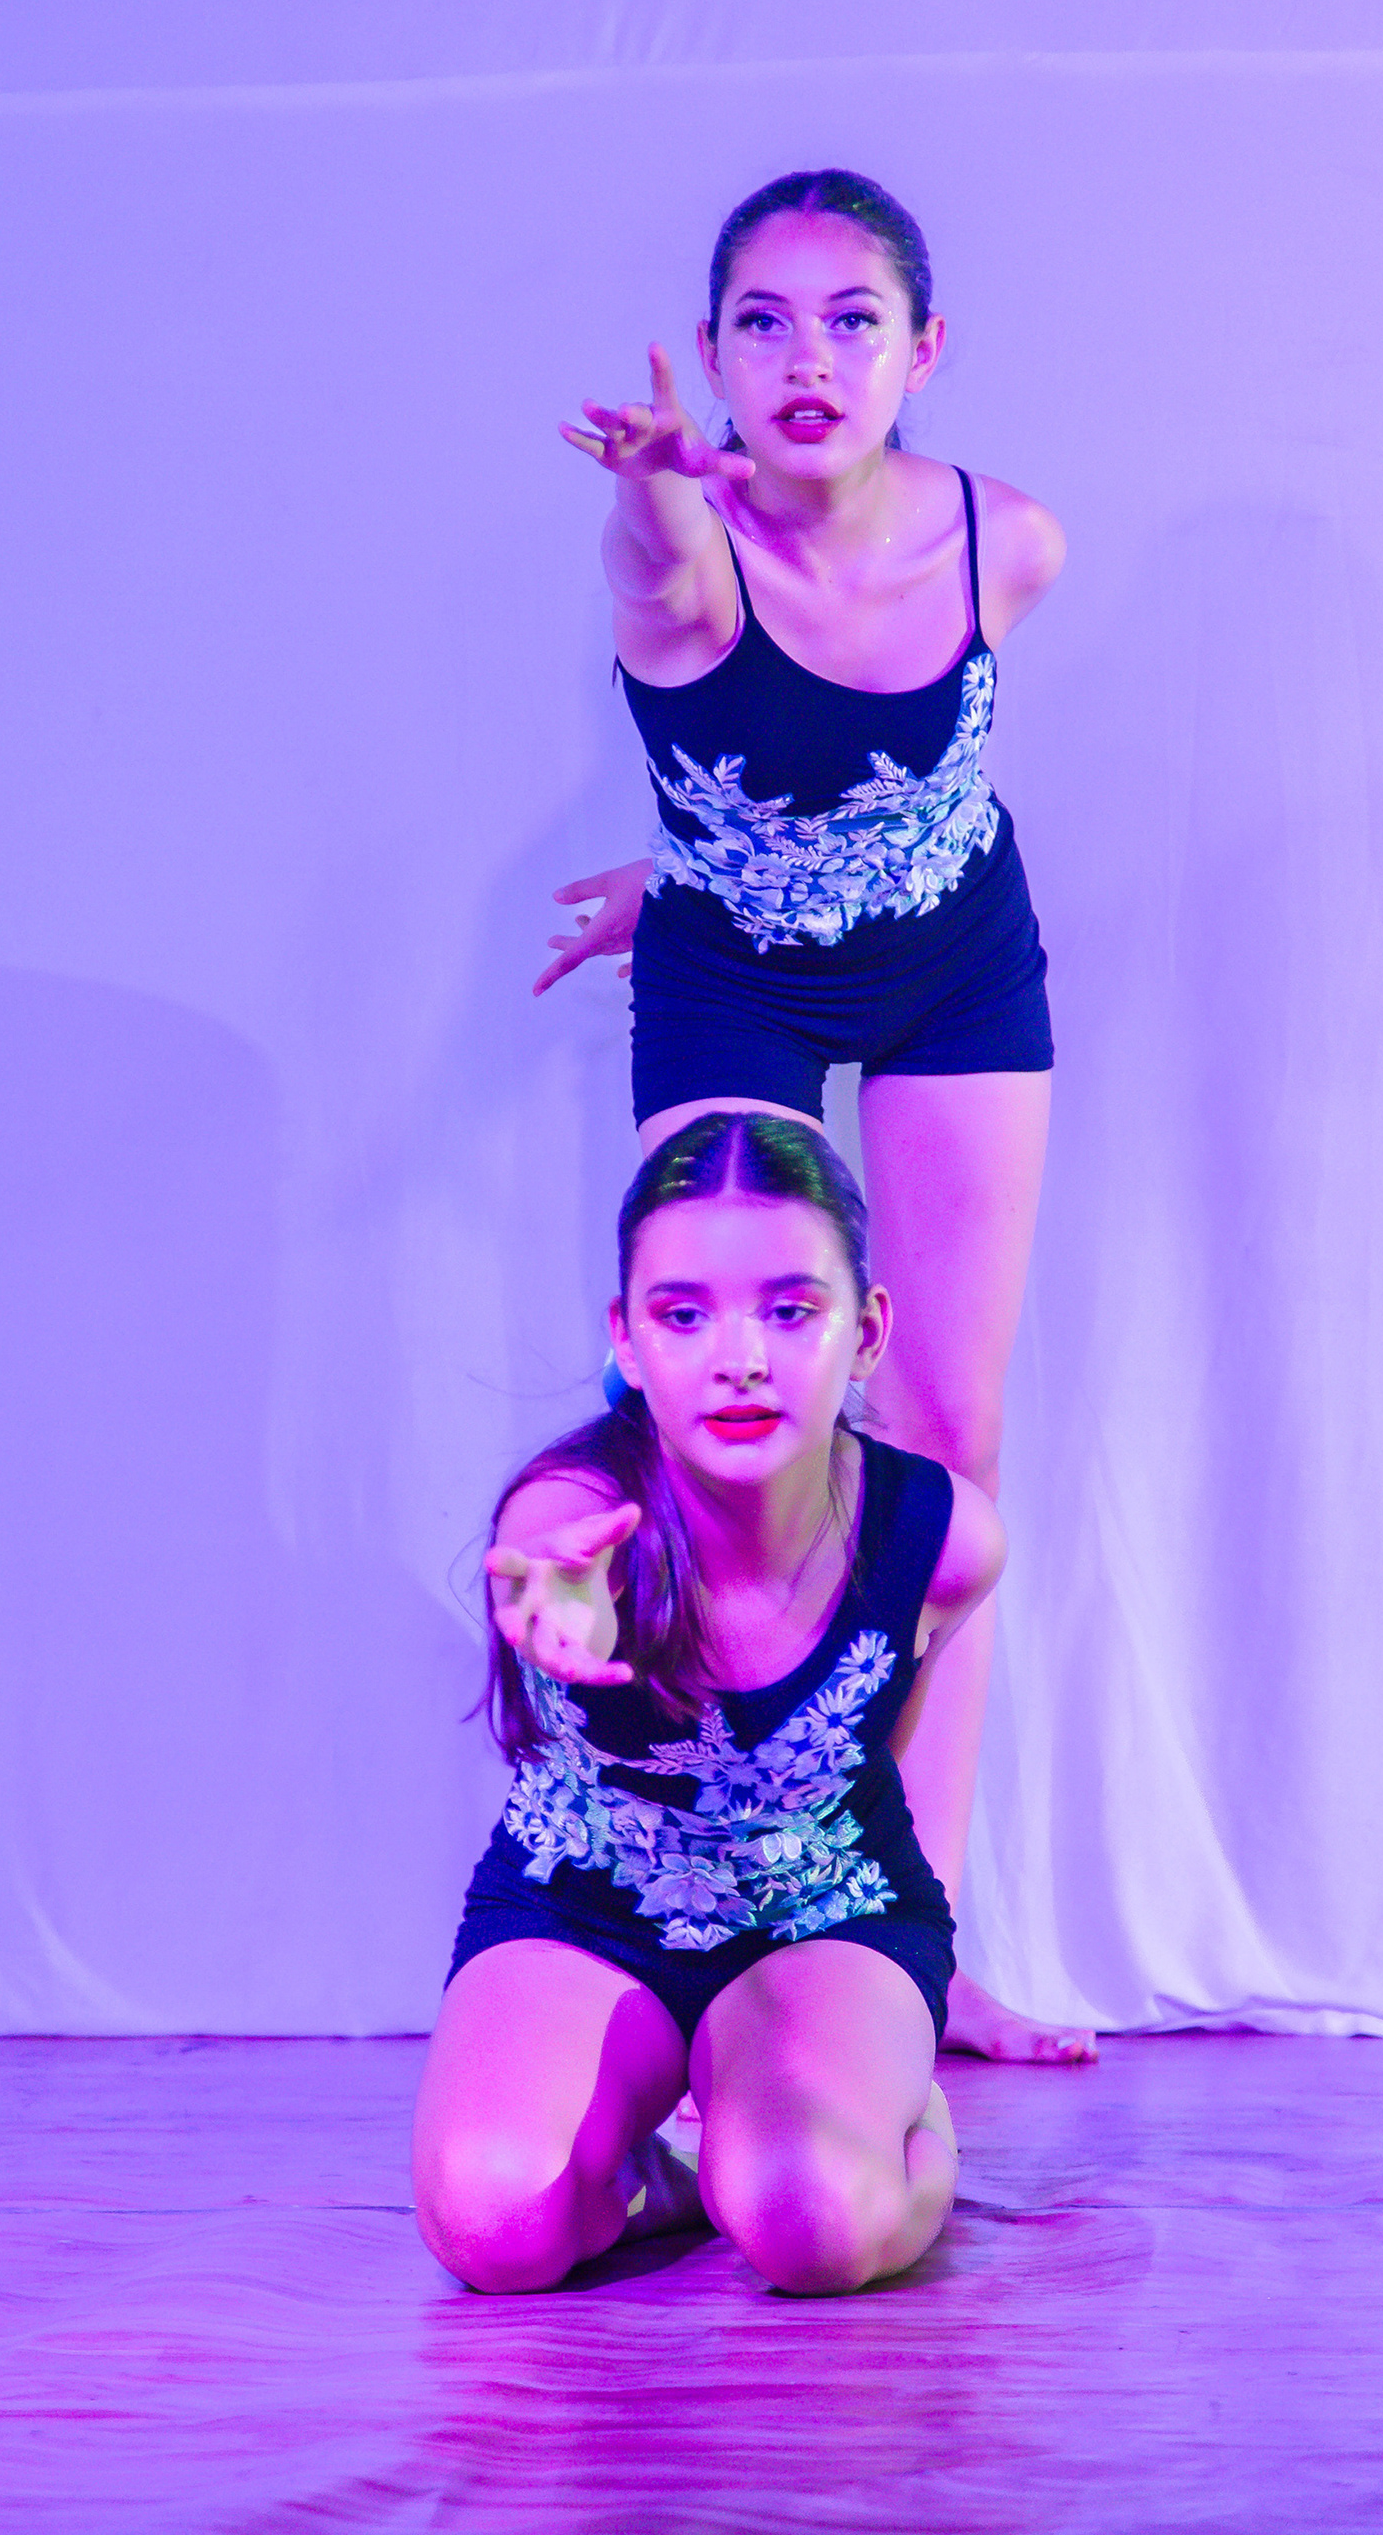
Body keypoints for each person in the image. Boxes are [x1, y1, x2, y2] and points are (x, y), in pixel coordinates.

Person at [538, 167, 1089, 2066]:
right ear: (711, 355)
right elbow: (664, 592)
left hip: (959, 970)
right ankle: (698, 1931)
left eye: (853, 320)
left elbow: (893, 778)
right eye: (762, 322)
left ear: (923, 351)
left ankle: (913, 1943)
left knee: (945, 1445)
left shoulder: (1010, 542)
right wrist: (648, 486)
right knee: (720, 1437)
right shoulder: (690, 550)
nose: (808, 358)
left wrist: (701, 858)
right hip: (735, 988)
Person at [412, 1112, 1002, 2294]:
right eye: (685, 1315)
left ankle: (897, 2125)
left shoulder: (943, 1541)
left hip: (824, 1915)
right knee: (493, 2221)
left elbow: (883, 1741)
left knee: (812, 2223)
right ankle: (676, 2178)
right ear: (626, 1340)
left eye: (790, 1310)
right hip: (583, 1911)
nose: (741, 1359)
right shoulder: (573, 1516)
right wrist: (570, 1613)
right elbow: (553, 1559)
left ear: (865, 1331)